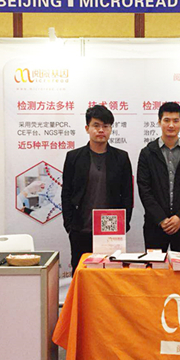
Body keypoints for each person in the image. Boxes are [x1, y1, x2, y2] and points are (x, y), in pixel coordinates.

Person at [61, 105, 133, 274]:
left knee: (110, 276)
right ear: (87, 128)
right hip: (81, 228)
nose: (101, 130)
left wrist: (123, 225)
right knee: (82, 274)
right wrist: (70, 225)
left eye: (106, 126)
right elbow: (66, 193)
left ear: (111, 129)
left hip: (111, 232)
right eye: (96, 125)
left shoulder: (121, 158)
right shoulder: (74, 157)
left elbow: (127, 195)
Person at [137, 102, 180, 252]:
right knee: (155, 266)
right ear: (159, 122)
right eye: (166, 120)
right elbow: (144, 189)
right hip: (155, 224)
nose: (171, 125)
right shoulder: (147, 153)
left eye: (175, 120)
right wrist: (161, 218)